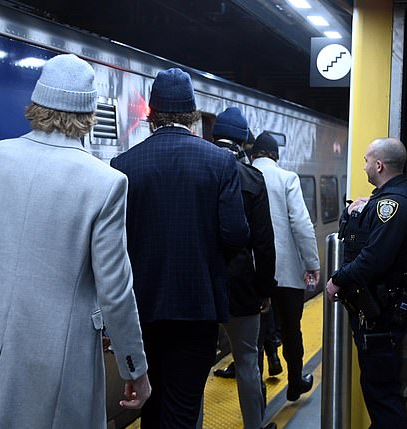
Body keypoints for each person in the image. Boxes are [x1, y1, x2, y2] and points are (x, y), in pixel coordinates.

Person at [0, 54, 150, 428]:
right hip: (55, 364)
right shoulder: (105, 183)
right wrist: (134, 369)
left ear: (36, 104)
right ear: (89, 113)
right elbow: (115, 292)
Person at [110, 68, 249, 429]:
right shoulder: (221, 162)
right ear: (192, 113)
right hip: (197, 308)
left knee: (149, 407)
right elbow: (236, 234)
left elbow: (113, 245)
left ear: (151, 113)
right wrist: (209, 263)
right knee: (184, 407)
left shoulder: (122, 166)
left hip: (141, 311)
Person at [326, 137, 407, 429]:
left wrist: (337, 280)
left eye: (367, 160)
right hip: (385, 310)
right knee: (377, 387)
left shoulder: (391, 205)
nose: (365, 166)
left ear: (379, 165)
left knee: (382, 394)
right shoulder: (397, 199)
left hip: (381, 314)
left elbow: (373, 259)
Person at [211, 107, 277, 429]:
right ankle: (255, 426)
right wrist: (265, 290)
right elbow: (263, 243)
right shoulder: (253, 178)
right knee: (248, 362)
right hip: (242, 287)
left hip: (203, 286)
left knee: (196, 367)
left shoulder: (201, 170)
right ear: (243, 142)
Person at [251, 132, 321, 402]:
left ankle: (256, 395)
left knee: (254, 337)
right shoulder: (286, 178)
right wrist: (312, 263)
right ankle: (295, 382)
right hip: (288, 274)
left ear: (254, 155)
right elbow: (301, 224)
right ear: (275, 156)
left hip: (255, 274)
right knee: (292, 329)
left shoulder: (241, 175)